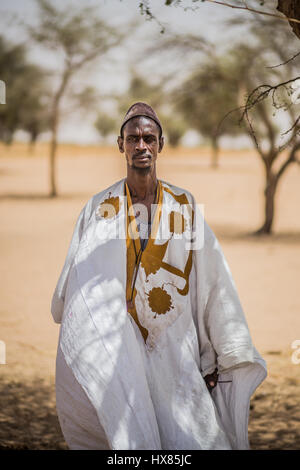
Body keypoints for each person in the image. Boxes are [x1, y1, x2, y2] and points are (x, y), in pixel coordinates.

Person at [51, 102, 267, 450]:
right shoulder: (99, 208)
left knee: (192, 435)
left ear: (160, 144)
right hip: (120, 352)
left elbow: (210, 282)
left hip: (176, 348)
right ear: (120, 144)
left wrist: (215, 352)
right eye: (133, 138)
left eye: (148, 139)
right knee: (130, 437)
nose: (141, 146)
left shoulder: (184, 204)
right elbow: (70, 292)